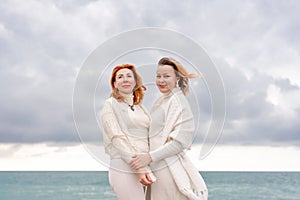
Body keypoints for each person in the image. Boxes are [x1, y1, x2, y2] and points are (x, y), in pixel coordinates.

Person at [130, 57, 208, 200]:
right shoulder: (161, 101)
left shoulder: (179, 102)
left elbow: (180, 142)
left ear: (177, 78)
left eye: (166, 76)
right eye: (158, 76)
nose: (161, 80)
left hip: (167, 169)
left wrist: (149, 157)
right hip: (155, 168)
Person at [100, 64, 154, 200]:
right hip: (124, 165)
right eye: (120, 77)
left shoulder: (141, 108)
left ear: (135, 82)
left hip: (145, 166)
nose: (125, 79)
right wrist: (138, 168)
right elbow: (116, 138)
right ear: (114, 84)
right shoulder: (110, 104)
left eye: (129, 76)